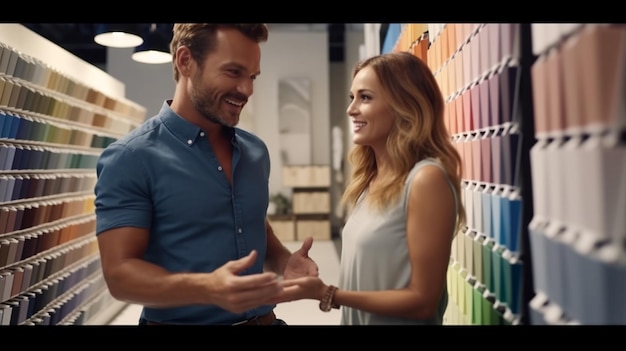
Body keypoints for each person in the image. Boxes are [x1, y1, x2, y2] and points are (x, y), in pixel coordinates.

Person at [94, 23, 319, 326]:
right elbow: (120, 275)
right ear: (185, 61)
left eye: (252, 77)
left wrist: (283, 261)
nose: (247, 89)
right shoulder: (131, 157)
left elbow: (253, 225)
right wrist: (205, 288)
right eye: (233, 72)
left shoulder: (255, 152)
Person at [276, 51, 467, 325]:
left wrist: (329, 294)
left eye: (365, 97)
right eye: (352, 98)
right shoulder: (369, 180)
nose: (351, 109)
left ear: (405, 105)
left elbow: (423, 301)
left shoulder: (426, 180)